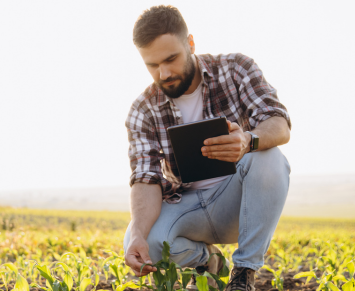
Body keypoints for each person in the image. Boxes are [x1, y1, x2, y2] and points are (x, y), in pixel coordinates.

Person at [122, 5, 292, 291]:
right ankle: (208, 260)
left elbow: (279, 124)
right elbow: (146, 179)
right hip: (188, 207)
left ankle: (243, 275)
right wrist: (138, 231)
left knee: (269, 157)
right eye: (152, 65)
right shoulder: (143, 109)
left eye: (171, 59)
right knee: (142, 240)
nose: (163, 73)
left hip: (239, 204)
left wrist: (247, 140)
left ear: (190, 43)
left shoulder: (236, 68)